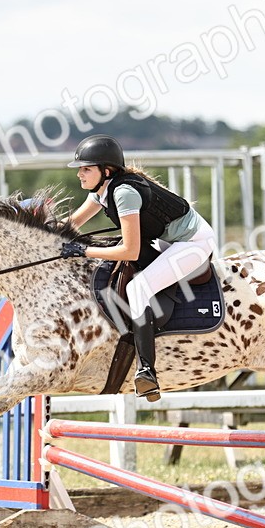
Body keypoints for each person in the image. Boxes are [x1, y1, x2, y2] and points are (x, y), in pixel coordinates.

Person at [60, 134, 217, 401]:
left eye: (86, 168)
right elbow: (70, 225)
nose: (80, 174)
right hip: (170, 241)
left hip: (194, 243)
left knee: (138, 287)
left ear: (105, 171)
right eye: (80, 169)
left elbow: (130, 250)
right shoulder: (101, 192)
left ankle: (147, 371)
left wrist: (83, 250)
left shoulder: (123, 193)